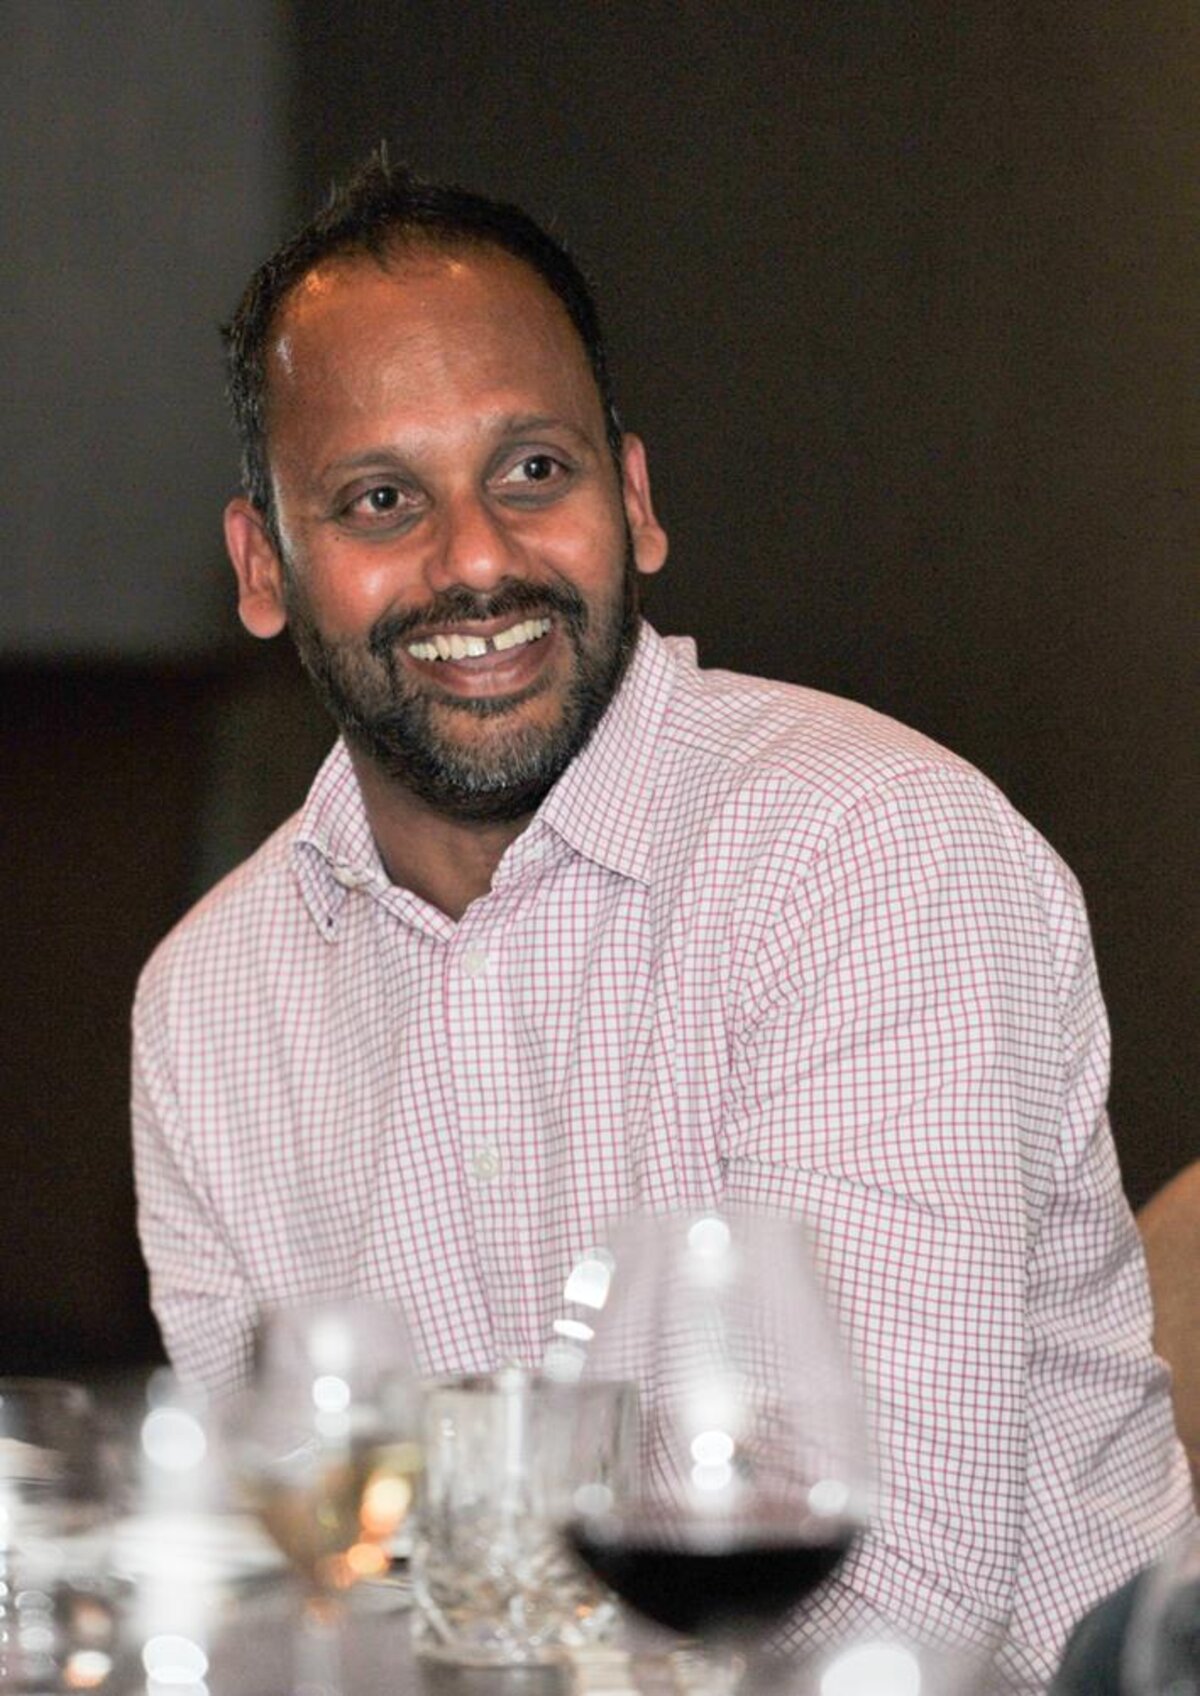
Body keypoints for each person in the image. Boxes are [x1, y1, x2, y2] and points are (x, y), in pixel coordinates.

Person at [131, 157, 1193, 1690]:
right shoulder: (207, 1007)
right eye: (380, 500)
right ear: (262, 568)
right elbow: (285, 1598)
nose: (476, 557)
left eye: (532, 471)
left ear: (631, 502)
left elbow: (886, 1601)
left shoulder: (868, 856)